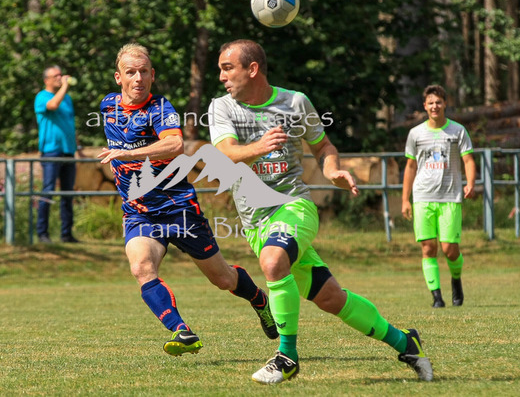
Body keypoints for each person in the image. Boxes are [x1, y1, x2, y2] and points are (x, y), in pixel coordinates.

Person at [208, 39, 433, 384]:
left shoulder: (295, 102)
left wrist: (333, 171)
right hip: (256, 223)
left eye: (228, 68)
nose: (222, 76)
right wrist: (259, 147)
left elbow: (323, 146)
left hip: (294, 206)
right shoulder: (221, 107)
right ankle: (406, 342)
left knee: (273, 262)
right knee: (331, 299)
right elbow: (225, 153)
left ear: (252, 69)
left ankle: (286, 357)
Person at [97, 43, 278, 356]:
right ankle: (182, 331)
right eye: (131, 72)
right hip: (139, 213)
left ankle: (258, 299)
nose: (138, 78)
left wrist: (128, 153)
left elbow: (175, 145)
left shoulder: (159, 108)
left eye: (144, 72)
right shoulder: (108, 105)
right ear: (118, 77)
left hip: (178, 209)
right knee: (141, 268)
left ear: (152, 75)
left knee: (223, 279)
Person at [402, 84, 476, 308]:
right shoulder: (416, 133)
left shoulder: (458, 131)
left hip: (450, 196)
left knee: (449, 249)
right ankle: (437, 297)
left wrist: (470, 183)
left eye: (439, 102)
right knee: (428, 248)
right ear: (425, 106)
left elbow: (468, 160)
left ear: (445, 104)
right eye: (431, 103)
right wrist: (405, 199)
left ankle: (456, 279)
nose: (435, 106)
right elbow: (410, 167)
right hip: (422, 196)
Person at [34, 65, 83, 243]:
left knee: (68, 193)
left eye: (60, 75)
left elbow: (70, 124)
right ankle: (42, 233)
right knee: (48, 191)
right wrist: (65, 87)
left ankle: (66, 234)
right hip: (51, 150)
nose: (60, 78)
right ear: (46, 80)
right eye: (55, 76)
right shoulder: (42, 97)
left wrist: (78, 147)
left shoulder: (67, 98)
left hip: (68, 150)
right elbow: (53, 105)